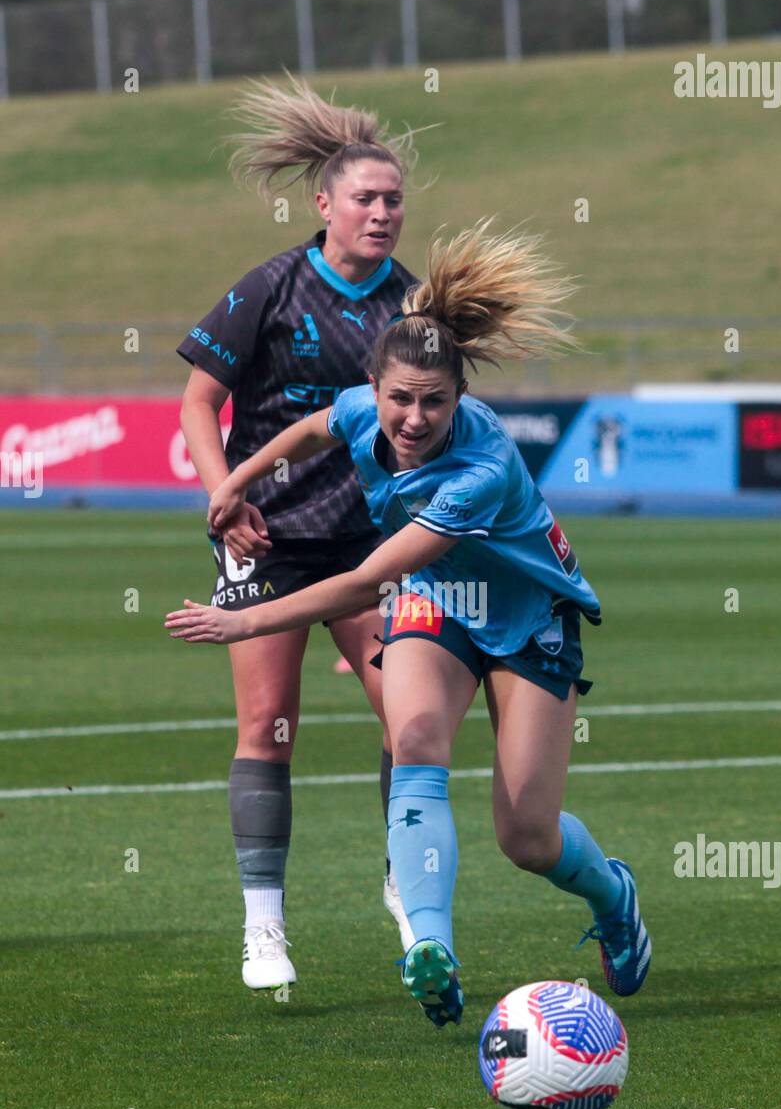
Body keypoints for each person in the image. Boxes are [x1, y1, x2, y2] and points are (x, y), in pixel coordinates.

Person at [166, 223, 652, 1027]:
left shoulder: (482, 470)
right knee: (415, 738)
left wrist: (241, 622)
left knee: (527, 837)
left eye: (435, 402)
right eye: (400, 399)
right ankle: (430, 948)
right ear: (376, 386)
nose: (415, 418)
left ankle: (613, 893)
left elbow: (362, 581)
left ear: (461, 400)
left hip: (527, 621)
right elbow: (317, 424)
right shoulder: (364, 408)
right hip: (435, 605)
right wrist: (239, 480)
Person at [176, 75, 422, 993]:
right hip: (266, 538)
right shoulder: (271, 288)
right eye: (367, 197)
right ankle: (264, 929)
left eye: (395, 199)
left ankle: (407, 887)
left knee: (414, 719)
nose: (384, 212)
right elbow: (201, 398)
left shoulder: (414, 306)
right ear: (324, 205)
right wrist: (220, 496)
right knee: (267, 728)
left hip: (371, 546)